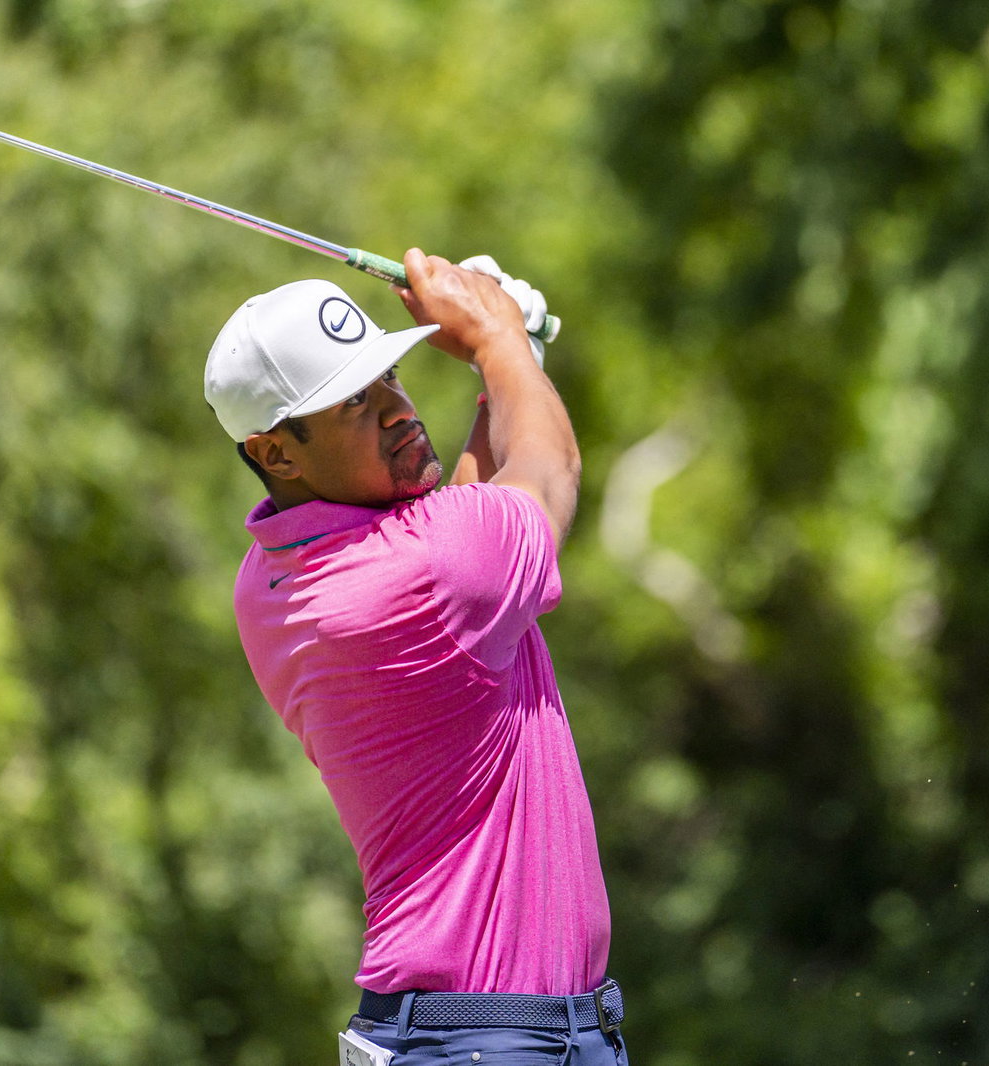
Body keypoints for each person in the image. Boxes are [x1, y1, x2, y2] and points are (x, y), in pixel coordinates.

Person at [204, 248, 628, 1065]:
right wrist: (498, 340)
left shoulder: (271, 580)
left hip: (477, 1032)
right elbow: (549, 472)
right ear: (275, 453)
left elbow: (463, 520)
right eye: (354, 405)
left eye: (389, 379)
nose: (397, 410)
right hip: (491, 1040)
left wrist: (510, 364)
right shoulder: (425, 571)